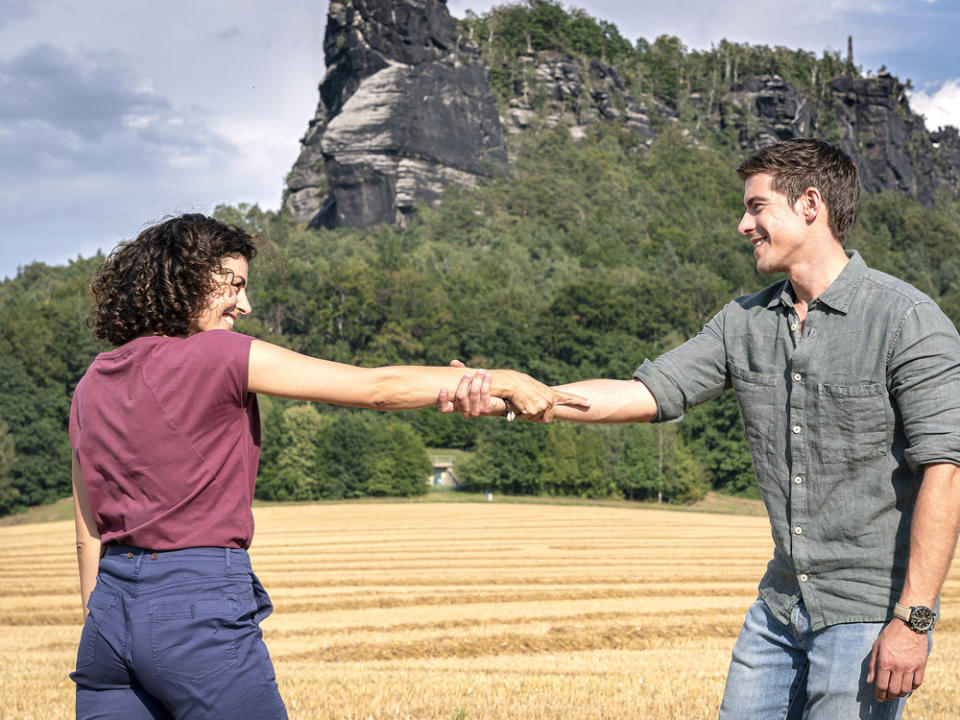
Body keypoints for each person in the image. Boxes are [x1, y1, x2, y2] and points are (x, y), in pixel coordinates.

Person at [444, 138, 960, 719]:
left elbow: (946, 472)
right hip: (780, 602)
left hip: (868, 612)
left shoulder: (907, 321)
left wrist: (914, 619)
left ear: (809, 204)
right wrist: (515, 394)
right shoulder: (741, 320)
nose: (744, 224)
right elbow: (644, 393)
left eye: (757, 206)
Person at [69, 213, 586, 720]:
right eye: (234, 286)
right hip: (195, 605)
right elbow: (376, 389)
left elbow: (89, 525)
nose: (245, 304)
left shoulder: (93, 382)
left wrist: (105, 613)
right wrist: (500, 380)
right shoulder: (218, 355)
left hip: (110, 619)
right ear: (190, 276)